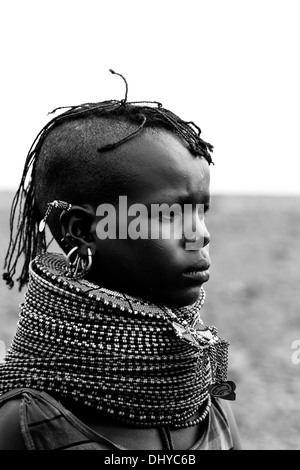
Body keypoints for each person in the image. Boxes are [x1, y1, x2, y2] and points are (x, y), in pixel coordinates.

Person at [0, 71, 241, 450]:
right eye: (167, 214)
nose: (201, 234)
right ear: (80, 229)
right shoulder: (24, 422)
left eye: (201, 211)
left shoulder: (204, 394)